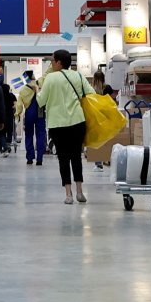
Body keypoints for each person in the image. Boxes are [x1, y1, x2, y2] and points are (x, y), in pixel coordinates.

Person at [35, 49, 93, 204]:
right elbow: (91, 94)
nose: (51, 63)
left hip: (57, 124)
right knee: (76, 156)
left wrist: (37, 90)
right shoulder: (78, 76)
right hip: (77, 121)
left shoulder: (51, 79)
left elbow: (41, 101)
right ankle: (80, 191)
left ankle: (68, 194)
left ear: (59, 62)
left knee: (63, 158)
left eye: (52, 61)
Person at [18, 72, 46, 166]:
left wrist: (17, 114)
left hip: (29, 112)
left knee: (29, 135)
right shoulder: (40, 83)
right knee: (41, 134)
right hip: (40, 111)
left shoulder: (23, 89)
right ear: (33, 76)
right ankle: (40, 159)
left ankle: (30, 158)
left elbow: (19, 105)